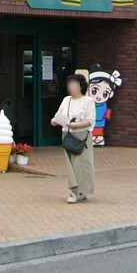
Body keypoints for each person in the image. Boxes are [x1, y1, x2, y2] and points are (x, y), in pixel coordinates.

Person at [51, 73, 95, 203]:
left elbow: (90, 120)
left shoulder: (88, 101)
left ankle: (80, 191)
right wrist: (55, 121)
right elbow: (58, 115)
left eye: (74, 85)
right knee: (71, 165)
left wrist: (76, 125)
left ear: (81, 86)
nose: (71, 87)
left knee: (81, 165)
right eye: (70, 85)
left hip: (82, 136)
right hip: (67, 134)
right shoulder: (66, 100)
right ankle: (75, 191)